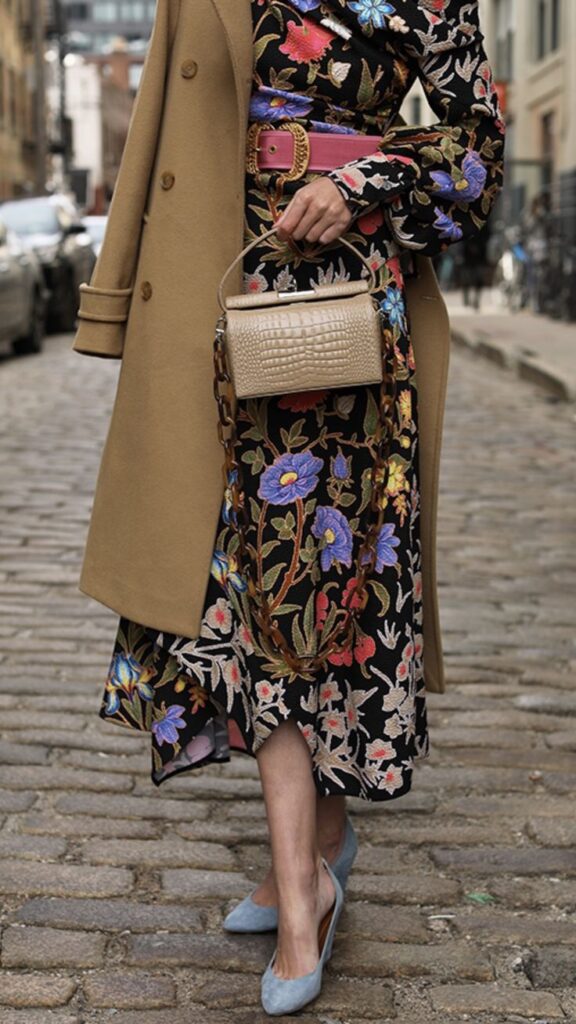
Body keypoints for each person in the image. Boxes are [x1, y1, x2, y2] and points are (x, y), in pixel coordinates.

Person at [72, 0, 504, 1015]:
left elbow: (476, 147)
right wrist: (117, 291)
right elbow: (162, 127)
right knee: (253, 586)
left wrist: (363, 181)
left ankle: (319, 840)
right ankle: (304, 891)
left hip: (353, 307)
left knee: (336, 587)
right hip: (223, 276)